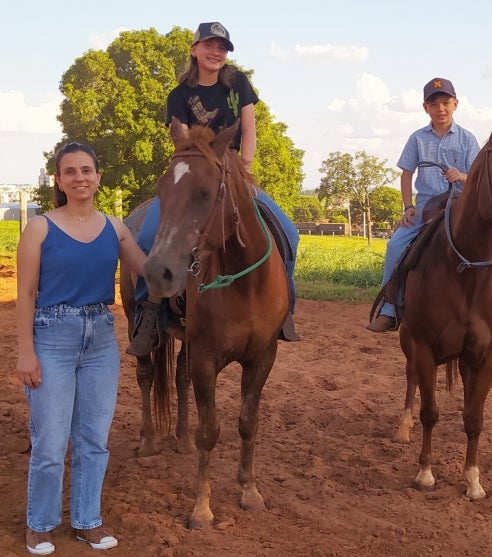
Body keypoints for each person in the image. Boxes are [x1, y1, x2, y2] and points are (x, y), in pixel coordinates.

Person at [126, 21, 300, 357]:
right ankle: (150, 314)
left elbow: (249, 130)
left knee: (289, 233)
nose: (216, 52)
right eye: (209, 45)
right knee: (147, 237)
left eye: (222, 47)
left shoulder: (237, 84)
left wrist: (245, 173)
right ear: (194, 50)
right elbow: (180, 141)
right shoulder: (179, 96)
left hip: (234, 169)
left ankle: (284, 310)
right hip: (194, 170)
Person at [16, 142, 149, 555]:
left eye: (86, 170)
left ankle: (87, 521)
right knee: (51, 442)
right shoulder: (40, 228)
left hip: (101, 339)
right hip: (52, 335)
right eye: (70, 171)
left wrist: (193, 256)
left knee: (93, 439)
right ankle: (39, 524)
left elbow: (150, 272)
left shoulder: (116, 227)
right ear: (59, 180)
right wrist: (26, 351)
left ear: (98, 177)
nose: (80, 178)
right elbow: (25, 294)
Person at [365, 77, 492, 333]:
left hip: (461, 207)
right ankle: (390, 308)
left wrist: (462, 176)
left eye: (445, 103)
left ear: (455, 104)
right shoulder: (417, 139)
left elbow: (480, 178)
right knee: (395, 246)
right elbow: (406, 174)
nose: (440, 109)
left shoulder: (467, 139)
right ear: (426, 108)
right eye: (434, 104)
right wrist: (407, 207)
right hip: (427, 210)